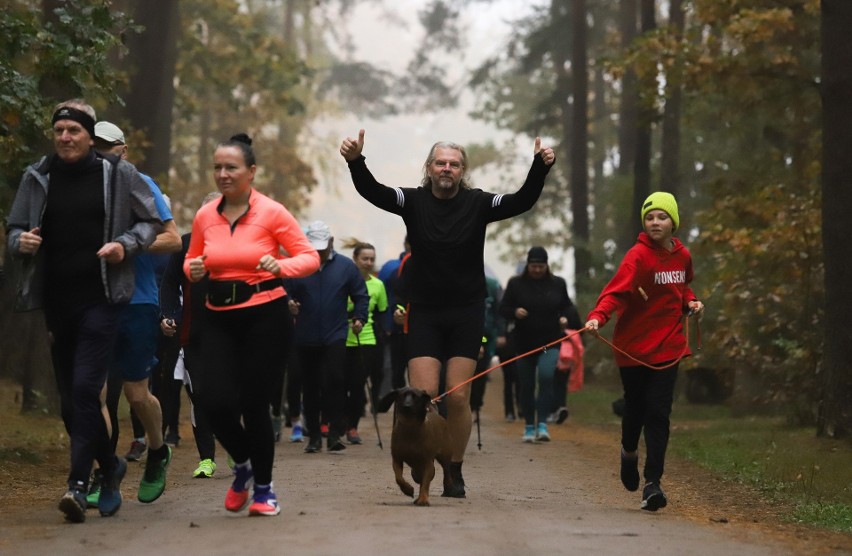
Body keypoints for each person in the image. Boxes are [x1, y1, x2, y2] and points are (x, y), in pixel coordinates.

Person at [340, 129, 555, 496]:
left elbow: (521, 201)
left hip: (467, 312)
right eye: (440, 162)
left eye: (454, 164)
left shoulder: (479, 203)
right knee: (424, 394)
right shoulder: (412, 201)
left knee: (456, 398)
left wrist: (539, 167)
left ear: (462, 171)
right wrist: (355, 161)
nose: (447, 169)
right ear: (429, 167)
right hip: (424, 311)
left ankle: (453, 468)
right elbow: (373, 191)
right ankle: (424, 462)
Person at [5, 99, 163, 522]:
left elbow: (150, 223)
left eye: (73, 131)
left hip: (104, 297)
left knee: (85, 390)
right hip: (56, 300)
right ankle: (110, 467)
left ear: (89, 136)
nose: (65, 138)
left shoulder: (118, 174)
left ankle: (78, 484)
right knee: (71, 406)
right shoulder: (38, 176)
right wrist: (20, 242)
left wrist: (124, 246)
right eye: (59, 131)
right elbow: (14, 227)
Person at [184, 133, 320, 517]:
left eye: (231, 167)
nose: (223, 175)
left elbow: (308, 257)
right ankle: (242, 462)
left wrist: (282, 266)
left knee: (254, 405)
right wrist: (192, 269)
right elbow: (193, 260)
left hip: (264, 315)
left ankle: (263, 489)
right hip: (217, 315)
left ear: (251, 171)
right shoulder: (205, 216)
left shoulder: (272, 212)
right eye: (217, 168)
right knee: (212, 399)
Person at [585, 192, 704, 512]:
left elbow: (683, 287)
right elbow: (615, 292)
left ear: (673, 223)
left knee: (658, 412)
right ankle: (628, 452)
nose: (655, 222)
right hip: (634, 348)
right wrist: (598, 316)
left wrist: (690, 302)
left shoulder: (682, 256)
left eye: (662, 217)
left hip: (669, 346)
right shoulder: (637, 256)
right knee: (635, 408)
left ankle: (653, 483)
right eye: (650, 217)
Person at [94, 121, 182, 507]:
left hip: (138, 300)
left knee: (136, 394)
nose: (100, 152)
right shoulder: (77, 185)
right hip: (92, 301)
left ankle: (158, 450)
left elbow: (174, 238)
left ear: (123, 150)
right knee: (94, 393)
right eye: (94, 145)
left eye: (107, 146)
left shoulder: (140, 184)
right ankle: (103, 473)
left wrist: (128, 246)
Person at [284, 221, 369, 454]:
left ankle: (333, 433)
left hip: (335, 333)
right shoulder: (297, 265)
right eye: (314, 247)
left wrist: (360, 317)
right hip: (305, 335)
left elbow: (361, 295)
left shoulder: (345, 267)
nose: (319, 252)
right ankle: (313, 436)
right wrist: (288, 303)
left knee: (335, 380)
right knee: (310, 386)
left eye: (322, 247)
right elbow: (283, 290)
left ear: (330, 242)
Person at [160, 192, 222, 478]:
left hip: (232, 334)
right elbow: (170, 283)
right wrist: (168, 314)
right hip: (193, 334)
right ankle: (206, 457)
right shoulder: (184, 245)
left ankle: (236, 447)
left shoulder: (240, 244)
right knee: (200, 396)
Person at [500, 246, 581, 442]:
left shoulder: (558, 284)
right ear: (528, 265)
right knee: (526, 385)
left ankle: (543, 424)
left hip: (550, 341)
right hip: (524, 343)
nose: (537, 270)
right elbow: (503, 308)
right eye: (533, 266)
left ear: (547, 266)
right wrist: (515, 312)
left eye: (541, 266)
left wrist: (564, 319)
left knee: (546, 378)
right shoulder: (515, 284)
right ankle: (529, 426)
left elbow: (567, 307)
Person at [342, 239, 388, 444]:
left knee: (358, 385)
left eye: (372, 259)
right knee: (336, 383)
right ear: (355, 259)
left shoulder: (378, 285)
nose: (368, 263)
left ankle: (352, 428)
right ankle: (331, 422)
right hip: (340, 337)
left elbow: (381, 313)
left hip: (366, 339)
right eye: (364, 259)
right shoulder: (343, 281)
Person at [376, 236, 410, 390]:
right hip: (395, 328)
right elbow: (383, 295)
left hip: (414, 328)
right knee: (392, 367)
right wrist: (386, 325)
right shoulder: (391, 267)